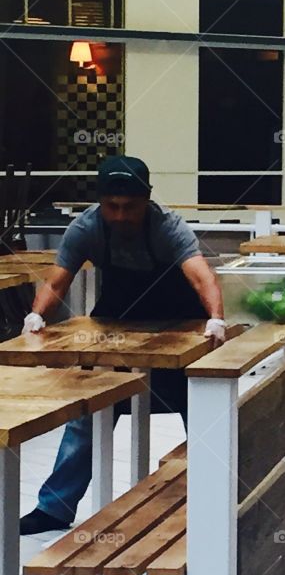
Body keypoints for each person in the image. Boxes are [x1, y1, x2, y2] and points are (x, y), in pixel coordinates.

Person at [19, 156, 227, 534]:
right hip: (116, 321)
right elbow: (56, 281)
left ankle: (218, 498)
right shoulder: (86, 228)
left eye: (129, 207)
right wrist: (36, 317)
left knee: (200, 411)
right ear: (101, 201)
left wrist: (215, 318)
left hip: (177, 320)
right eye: (111, 206)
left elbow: (201, 277)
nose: (120, 215)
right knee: (88, 411)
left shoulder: (167, 227)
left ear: (147, 199)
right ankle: (54, 507)